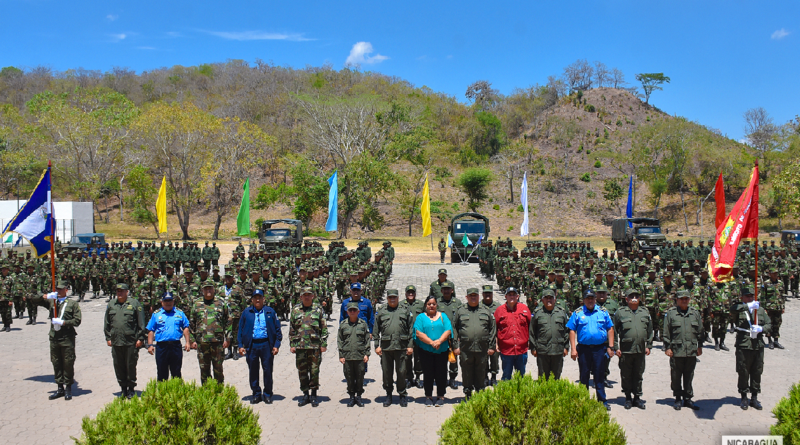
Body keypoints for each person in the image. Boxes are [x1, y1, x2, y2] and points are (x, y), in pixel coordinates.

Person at [29, 280, 82, 400]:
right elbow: (32, 298)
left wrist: (64, 322)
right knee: (56, 362)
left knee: (68, 362)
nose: (58, 291)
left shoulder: (72, 304)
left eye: (61, 289)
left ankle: (68, 388)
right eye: (57, 289)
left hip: (67, 338)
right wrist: (46, 296)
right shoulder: (52, 302)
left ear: (66, 290)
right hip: (54, 337)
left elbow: (77, 321)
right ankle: (60, 388)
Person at [567, 289, 615, 411]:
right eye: (587, 298)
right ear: (583, 300)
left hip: (599, 349)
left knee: (599, 375)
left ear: (595, 299)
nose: (590, 300)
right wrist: (573, 349)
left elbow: (610, 328)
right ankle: (583, 400)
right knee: (584, 375)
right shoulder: (578, 313)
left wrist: (611, 346)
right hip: (583, 349)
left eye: (592, 298)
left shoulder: (602, 312)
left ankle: (602, 400)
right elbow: (572, 330)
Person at [238, 289, 282, 405]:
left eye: (260, 297)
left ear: (264, 299)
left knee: (267, 370)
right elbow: (240, 330)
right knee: (253, 371)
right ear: (252, 300)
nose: (257, 300)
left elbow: (278, 330)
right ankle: (256, 394)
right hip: (252, 345)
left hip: (266, 345)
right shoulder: (247, 313)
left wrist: (276, 345)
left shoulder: (270, 312)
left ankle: (267, 394)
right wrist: (240, 345)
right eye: (255, 298)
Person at [731, 286, 771, 410]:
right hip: (744, 344)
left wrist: (762, 329)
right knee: (743, 370)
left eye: (751, 296)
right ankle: (743, 396)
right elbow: (732, 310)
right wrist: (748, 306)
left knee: (757, 370)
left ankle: (754, 397)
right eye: (747, 296)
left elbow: (769, 324)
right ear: (742, 297)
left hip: (757, 345)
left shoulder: (760, 310)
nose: (750, 298)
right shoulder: (739, 308)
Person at [662, 290, 703, 411]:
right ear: (677, 300)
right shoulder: (671, 314)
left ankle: (688, 398)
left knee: (689, 375)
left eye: (686, 298)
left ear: (689, 299)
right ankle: (678, 398)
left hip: (691, 350)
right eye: (681, 299)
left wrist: (699, 346)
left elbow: (700, 331)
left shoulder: (695, 313)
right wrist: (667, 347)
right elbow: (666, 331)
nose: (684, 300)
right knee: (676, 375)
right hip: (676, 350)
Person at [103, 283, 146, 399]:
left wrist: (141, 338)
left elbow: (141, 322)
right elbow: (107, 322)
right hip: (116, 341)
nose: (119, 293)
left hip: (131, 341)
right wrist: (108, 337)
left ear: (127, 292)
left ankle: (131, 388)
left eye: (122, 291)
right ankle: (123, 388)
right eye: (117, 291)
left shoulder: (134, 304)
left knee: (130, 365)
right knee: (118, 365)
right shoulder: (112, 304)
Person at [452, 288, 496, 399]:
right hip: (465, 349)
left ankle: (480, 392)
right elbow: (454, 328)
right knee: (466, 372)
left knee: (481, 371)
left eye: (475, 295)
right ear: (466, 297)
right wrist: (455, 346)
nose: (473, 297)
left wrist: (491, 346)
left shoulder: (485, 310)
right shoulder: (460, 310)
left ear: (478, 297)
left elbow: (492, 329)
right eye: (470, 296)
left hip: (482, 348)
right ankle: (467, 393)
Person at [613, 289, 653, 410]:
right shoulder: (620, 312)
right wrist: (616, 347)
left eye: (636, 296)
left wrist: (649, 345)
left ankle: (637, 397)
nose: (634, 298)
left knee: (638, 374)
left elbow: (650, 330)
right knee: (626, 375)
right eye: (631, 296)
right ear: (626, 299)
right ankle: (627, 397)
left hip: (640, 350)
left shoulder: (645, 312)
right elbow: (614, 330)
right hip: (626, 350)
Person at [374, 289, 414, 407]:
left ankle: (402, 395)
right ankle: (388, 394)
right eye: (390, 297)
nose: (392, 299)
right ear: (387, 299)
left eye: (394, 297)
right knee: (387, 372)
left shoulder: (405, 310)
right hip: (386, 348)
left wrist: (410, 345)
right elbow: (376, 330)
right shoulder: (381, 311)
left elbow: (411, 329)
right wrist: (376, 345)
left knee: (401, 372)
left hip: (401, 347)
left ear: (398, 298)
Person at [289, 286, 328, 407]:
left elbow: (324, 328)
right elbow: (292, 329)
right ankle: (305, 394)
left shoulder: (318, 309)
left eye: (309, 295)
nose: (306, 297)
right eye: (304, 295)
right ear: (301, 297)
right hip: (300, 347)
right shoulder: (295, 310)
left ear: (313, 296)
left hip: (315, 346)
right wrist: (292, 344)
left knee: (314, 371)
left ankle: (314, 394)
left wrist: (324, 344)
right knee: (302, 371)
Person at [189, 281, 231, 384]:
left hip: (217, 343)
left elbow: (228, 320)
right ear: (202, 290)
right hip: (202, 343)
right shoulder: (197, 304)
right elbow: (191, 323)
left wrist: (228, 338)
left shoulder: (221, 303)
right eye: (206, 288)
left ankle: (219, 393)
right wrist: (192, 340)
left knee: (218, 370)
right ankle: (207, 394)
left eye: (210, 288)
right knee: (204, 371)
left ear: (214, 289)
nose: (208, 290)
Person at [414, 295, 452, 407]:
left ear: (436, 305)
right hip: (426, 351)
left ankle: (441, 396)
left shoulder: (443, 316)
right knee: (428, 374)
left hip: (441, 351)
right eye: (429, 304)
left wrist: (439, 341)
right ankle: (428, 396)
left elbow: (448, 330)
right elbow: (418, 333)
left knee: (441, 373)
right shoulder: (421, 317)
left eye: (434, 304)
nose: (431, 306)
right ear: (426, 305)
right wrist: (432, 343)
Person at [147, 292, 191, 381]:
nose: (168, 303)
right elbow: (151, 330)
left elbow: (186, 327)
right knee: (162, 372)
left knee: (176, 372)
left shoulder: (179, 313)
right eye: (165, 301)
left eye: (170, 300)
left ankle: (177, 393)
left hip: (175, 346)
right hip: (161, 347)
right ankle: (162, 393)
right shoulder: (156, 314)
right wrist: (150, 345)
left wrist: (187, 342)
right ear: (161, 302)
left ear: (173, 301)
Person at [529, 289, 569, 380]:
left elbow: (566, 331)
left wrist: (566, 347)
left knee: (556, 377)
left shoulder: (561, 312)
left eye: (551, 298)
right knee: (543, 377)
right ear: (542, 300)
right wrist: (533, 348)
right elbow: (532, 331)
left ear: (555, 299)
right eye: (546, 298)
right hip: (542, 350)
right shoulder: (537, 313)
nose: (548, 300)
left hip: (558, 350)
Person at [494, 287, 531, 380]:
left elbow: (531, 327)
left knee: (521, 376)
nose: (512, 297)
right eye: (509, 295)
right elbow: (494, 329)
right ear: (506, 296)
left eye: (514, 294)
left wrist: (531, 341)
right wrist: (495, 343)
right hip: (506, 350)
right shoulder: (499, 310)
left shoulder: (524, 309)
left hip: (521, 349)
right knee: (506, 376)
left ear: (517, 296)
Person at [339, 302, 371, 407]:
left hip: (360, 355)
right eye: (350, 310)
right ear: (347, 312)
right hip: (347, 356)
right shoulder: (343, 324)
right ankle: (351, 397)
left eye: (354, 310)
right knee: (349, 377)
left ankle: (359, 396)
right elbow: (340, 340)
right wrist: (341, 355)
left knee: (360, 376)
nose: (352, 312)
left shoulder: (363, 324)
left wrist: (367, 354)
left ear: (358, 312)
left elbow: (367, 340)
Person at [436, 281, 462, 389]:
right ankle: (441, 379)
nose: (446, 291)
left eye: (448, 289)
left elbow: (461, 320)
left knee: (453, 359)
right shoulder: (437, 302)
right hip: (440, 336)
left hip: (453, 335)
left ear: (452, 290)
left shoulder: (458, 303)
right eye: (444, 289)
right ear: (441, 291)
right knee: (440, 359)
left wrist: (460, 335)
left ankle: (452, 379)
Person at [399, 285, 425, 389]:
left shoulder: (420, 304)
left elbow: (425, 317)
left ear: (415, 293)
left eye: (412, 292)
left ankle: (418, 377)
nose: (411, 294)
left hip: (418, 335)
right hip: (405, 336)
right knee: (407, 358)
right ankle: (408, 378)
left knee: (418, 358)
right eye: (409, 292)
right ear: (405, 294)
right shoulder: (401, 304)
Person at [481, 285, 502, 386]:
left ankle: (493, 377)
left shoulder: (498, 306)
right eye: (486, 293)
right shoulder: (479, 305)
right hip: (483, 337)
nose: (487, 295)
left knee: (494, 359)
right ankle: (484, 377)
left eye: (489, 293)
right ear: (483, 294)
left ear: (492, 294)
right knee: (484, 358)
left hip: (495, 337)